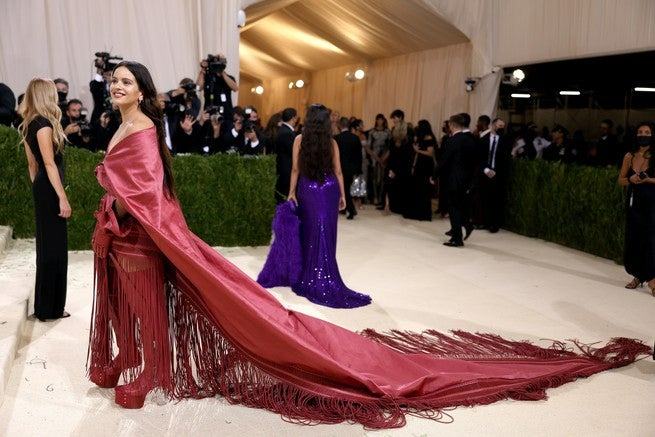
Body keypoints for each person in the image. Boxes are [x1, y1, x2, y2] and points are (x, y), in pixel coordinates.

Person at [86, 61, 650, 426]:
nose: (116, 89)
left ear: (144, 91)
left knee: (165, 305)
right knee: (141, 308)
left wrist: (111, 186)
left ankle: (150, 369)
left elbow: (151, 193)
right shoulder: (123, 125)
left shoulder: (138, 129)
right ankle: (135, 359)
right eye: (112, 83)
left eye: (125, 82)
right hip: (128, 236)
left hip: (142, 236)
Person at [258, 104, 372, 306]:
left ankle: (307, 274)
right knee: (326, 231)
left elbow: (295, 169)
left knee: (309, 231)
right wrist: (343, 195)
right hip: (329, 189)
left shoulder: (299, 140)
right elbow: (338, 172)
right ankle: (324, 274)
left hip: (307, 188)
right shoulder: (331, 143)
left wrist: (291, 192)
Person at [18, 77, 72, 321]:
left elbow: (33, 165)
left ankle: (45, 306)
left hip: (41, 187)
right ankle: (52, 308)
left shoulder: (30, 123)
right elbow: (49, 164)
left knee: (46, 246)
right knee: (56, 249)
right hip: (50, 188)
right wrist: (61, 197)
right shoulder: (45, 125)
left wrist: (39, 191)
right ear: (46, 95)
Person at [618, 121, 655, 295]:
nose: (643, 134)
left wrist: (648, 180)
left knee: (651, 239)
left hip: (652, 203)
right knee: (634, 239)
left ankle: (652, 279)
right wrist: (631, 180)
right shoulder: (629, 156)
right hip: (635, 203)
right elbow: (621, 180)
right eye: (640, 131)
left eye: (647, 132)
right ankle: (637, 275)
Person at [435, 113, 477, 247]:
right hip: (466, 180)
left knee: (453, 209)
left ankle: (457, 239)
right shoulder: (471, 139)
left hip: (453, 179)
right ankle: (465, 227)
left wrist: (434, 175)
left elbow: (444, 161)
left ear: (452, 125)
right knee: (459, 206)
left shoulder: (452, 140)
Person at [403, 119, 435, 221]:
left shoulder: (429, 138)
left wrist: (418, 150)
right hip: (419, 165)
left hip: (426, 166)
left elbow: (430, 153)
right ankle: (416, 212)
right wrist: (413, 165)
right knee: (416, 188)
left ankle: (424, 214)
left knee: (424, 189)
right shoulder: (420, 138)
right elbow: (417, 154)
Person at [334, 116, 362, 219]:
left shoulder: (336, 138)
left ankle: (351, 209)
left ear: (340, 126)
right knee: (346, 189)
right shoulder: (355, 138)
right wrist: (358, 169)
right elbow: (359, 156)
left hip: (340, 168)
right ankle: (345, 208)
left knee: (344, 190)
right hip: (351, 169)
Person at [273, 107, 298, 204]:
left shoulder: (283, 130)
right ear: (293, 118)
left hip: (283, 171)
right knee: (286, 201)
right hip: (287, 172)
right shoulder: (287, 133)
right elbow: (294, 152)